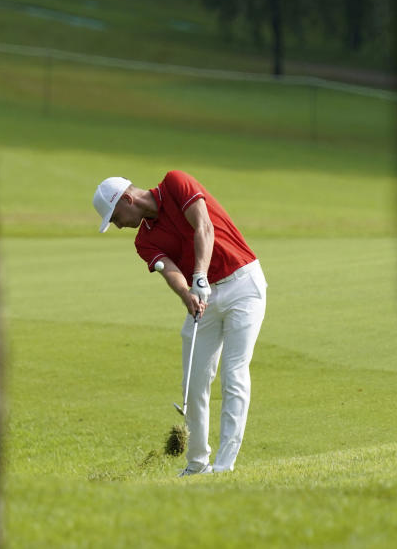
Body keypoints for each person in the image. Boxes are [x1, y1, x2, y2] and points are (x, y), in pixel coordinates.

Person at [92, 171, 267, 476]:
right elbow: (170, 270)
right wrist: (187, 295)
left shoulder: (175, 183)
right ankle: (197, 464)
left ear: (128, 199)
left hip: (242, 283)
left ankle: (224, 466)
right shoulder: (143, 240)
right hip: (204, 296)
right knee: (194, 381)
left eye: (116, 216)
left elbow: (204, 226)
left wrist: (198, 275)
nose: (118, 225)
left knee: (234, 372)